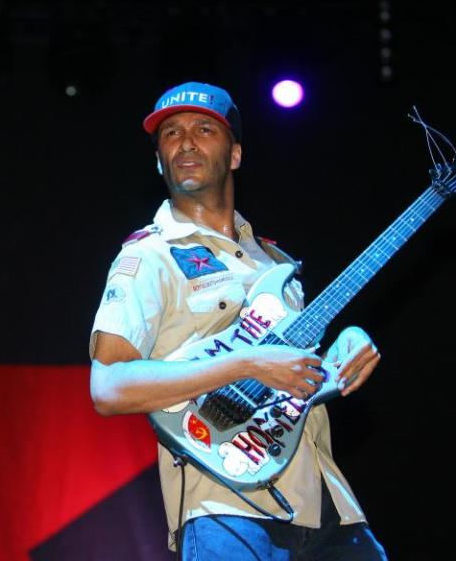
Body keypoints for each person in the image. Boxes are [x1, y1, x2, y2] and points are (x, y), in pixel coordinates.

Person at [89, 81, 386, 560]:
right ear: (158, 160)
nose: (185, 141)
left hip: (331, 507)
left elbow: (301, 373)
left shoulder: (277, 263)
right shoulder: (149, 257)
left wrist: (346, 347)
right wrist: (244, 364)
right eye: (170, 134)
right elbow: (108, 386)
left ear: (235, 155)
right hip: (226, 505)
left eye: (204, 129)